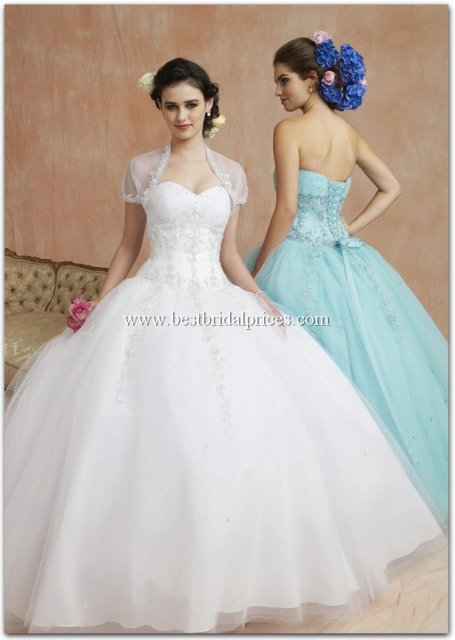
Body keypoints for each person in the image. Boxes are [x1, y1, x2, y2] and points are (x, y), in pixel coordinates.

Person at [5, 57, 444, 635]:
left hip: (219, 299)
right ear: (159, 107)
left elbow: (230, 255)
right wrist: (100, 305)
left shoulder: (232, 174)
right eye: (170, 106)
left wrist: (260, 299)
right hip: (152, 302)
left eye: (192, 104)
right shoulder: (141, 168)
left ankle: (233, 577)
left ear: (210, 103)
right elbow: (128, 247)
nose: (182, 116)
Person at [246, 32, 448, 524]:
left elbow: (286, 208)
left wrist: (257, 273)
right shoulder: (348, 135)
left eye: (284, 80)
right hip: (346, 262)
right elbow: (391, 186)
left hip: (296, 257)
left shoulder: (288, 131)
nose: (278, 91)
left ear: (314, 79)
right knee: (359, 372)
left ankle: (310, 506)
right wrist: (347, 229)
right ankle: (368, 506)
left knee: (297, 376)